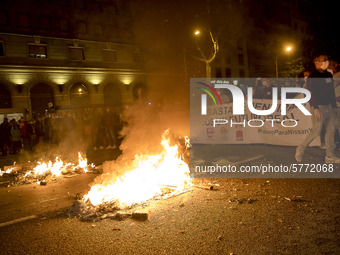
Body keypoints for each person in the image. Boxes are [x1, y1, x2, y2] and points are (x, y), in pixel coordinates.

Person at [295, 55, 340, 163]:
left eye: (327, 60)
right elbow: (310, 93)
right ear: (316, 63)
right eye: (324, 61)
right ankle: (300, 149)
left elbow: (331, 92)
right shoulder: (313, 76)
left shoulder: (328, 74)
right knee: (316, 131)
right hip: (318, 107)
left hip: (329, 107)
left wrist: (333, 106)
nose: (327, 62)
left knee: (331, 131)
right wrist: (315, 108)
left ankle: (330, 156)